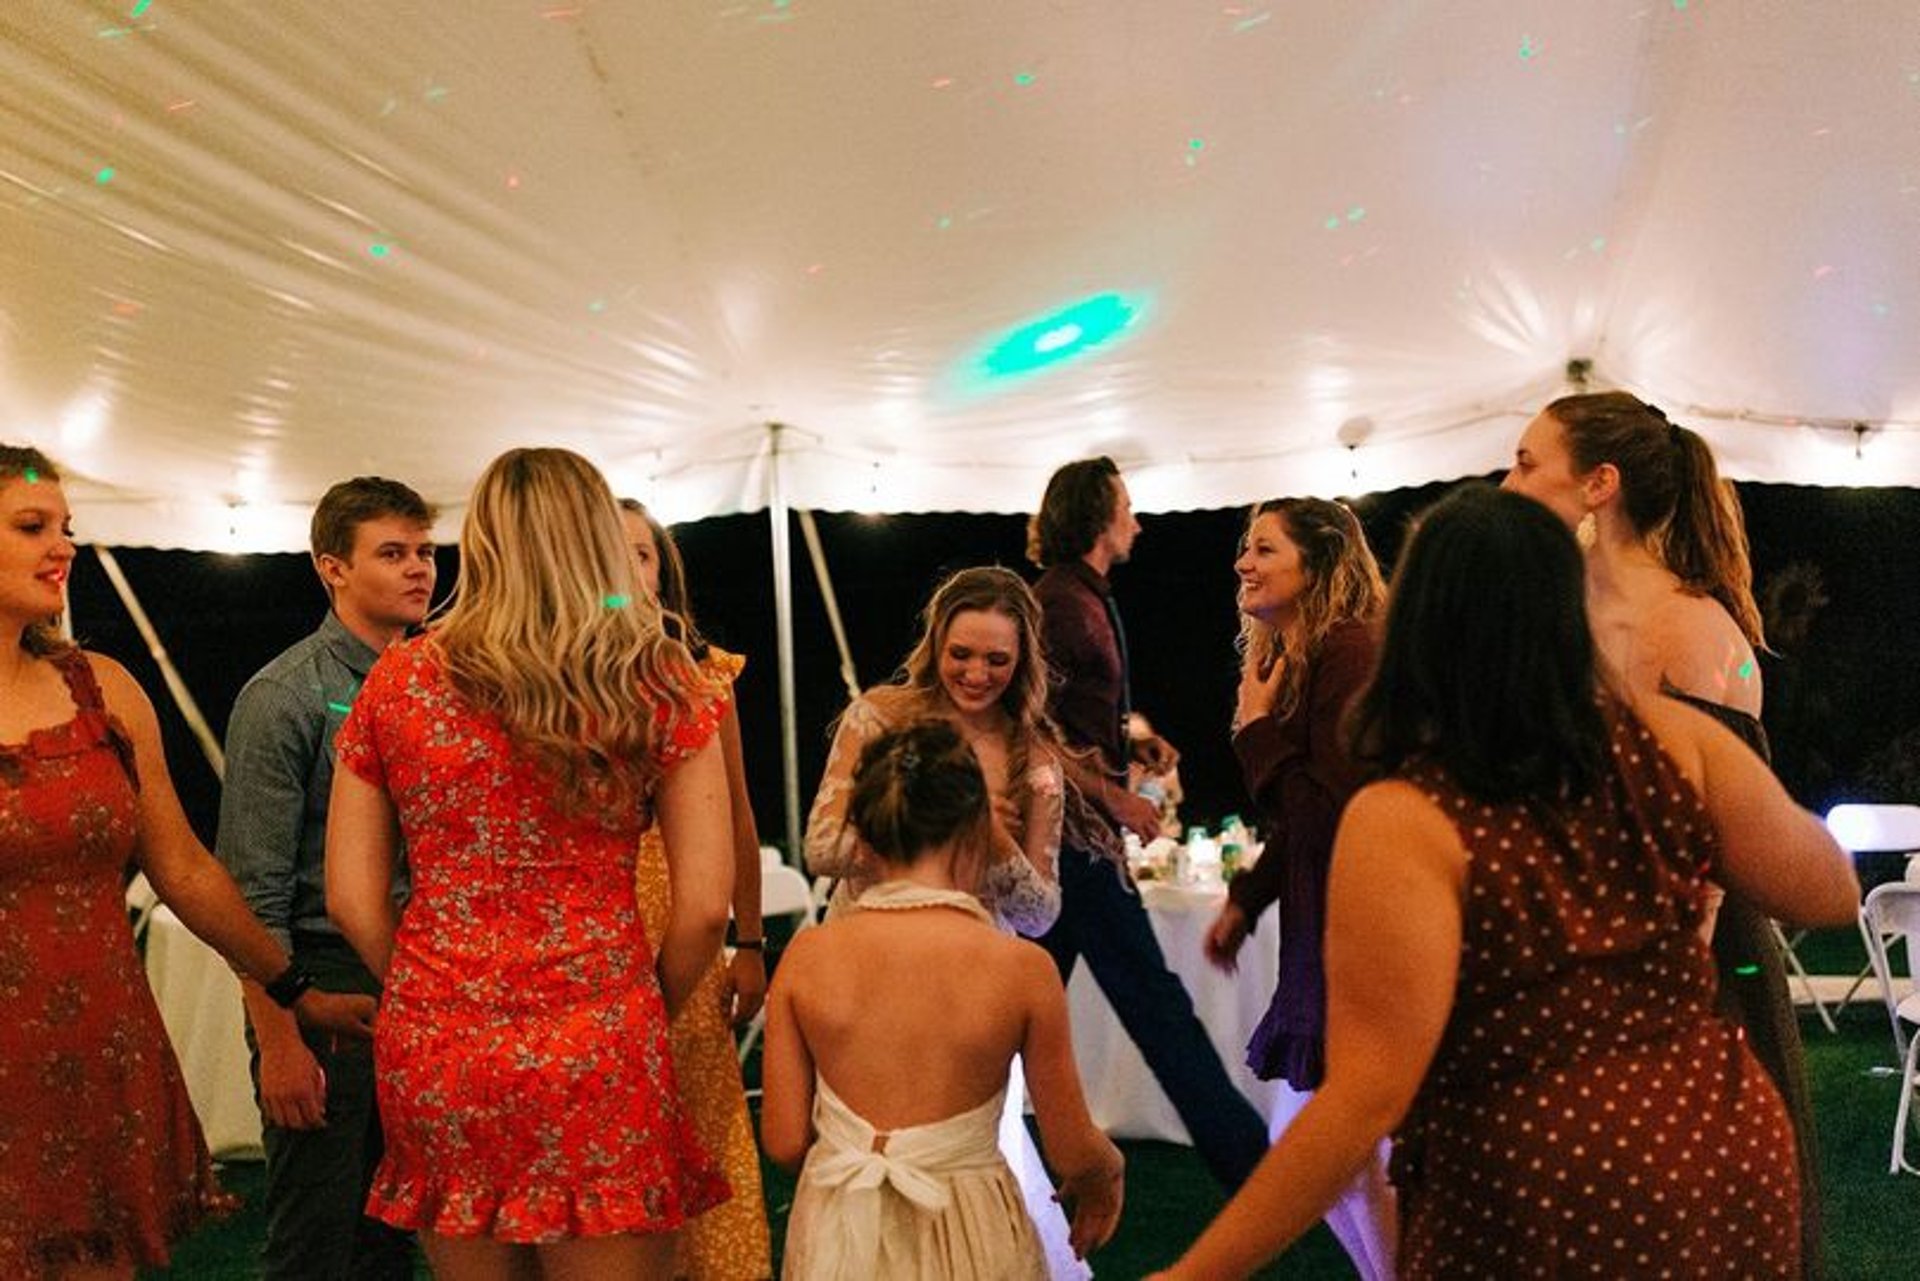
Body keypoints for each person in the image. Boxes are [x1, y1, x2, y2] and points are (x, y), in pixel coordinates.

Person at [1150, 485, 1859, 1280]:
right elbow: (1829, 892)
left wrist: (1191, 1272)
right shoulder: (1678, 742)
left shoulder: (1409, 811)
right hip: (1712, 1142)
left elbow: (1364, 1098)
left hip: (1532, 1177)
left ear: (1422, 621)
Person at [325, 448, 733, 1280]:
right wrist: (640, 1003)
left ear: (484, 539)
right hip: (601, 1029)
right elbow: (702, 908)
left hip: (440, 1037)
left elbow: (351, 899)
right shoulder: (659, 682)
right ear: (596, 538)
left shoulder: (398, 682)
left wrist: (425, 985)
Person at [1502, 388, 1826, 1276]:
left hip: (1681, 976)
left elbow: (1717, 854)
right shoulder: (1552, 618)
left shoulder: (1692, 630)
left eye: (1528, 463)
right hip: (1563, 955)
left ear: (1599, 484)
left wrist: (1644, 1016)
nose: (1508, 480)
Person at [0, 444, 336, 1276]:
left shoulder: (102, 687)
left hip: (99, 1046)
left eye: (67, 527)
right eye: (32, 525)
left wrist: (292, 988)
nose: (64, 546)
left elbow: (184, 868)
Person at [768, 721, 1124, 1279]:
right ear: (980, 830)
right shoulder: (1023, 969)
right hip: (971, 1228)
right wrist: (1105, 1171)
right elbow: (1071, 1147)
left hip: (840, 1230)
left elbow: (786, 1140)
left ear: (861, 834)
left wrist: (867, 1158)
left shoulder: (807, 957)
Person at [803, 566, 1078, 1275]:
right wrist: (924, 814)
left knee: (969, 1160)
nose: (976, 672)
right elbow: (820, 845)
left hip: (971, 979)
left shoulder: (1034, 752)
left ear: (1022, 662)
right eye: (962, 653)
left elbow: (1042, 911)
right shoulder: (881, 716)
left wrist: (992, 836)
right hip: (867, 963)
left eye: (996, 659)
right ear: (936, 643)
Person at [1027, 457, 1268, 1192]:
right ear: (1098, 516)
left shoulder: (1084, 597)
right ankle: (1254, 1167)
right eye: (1127, 506)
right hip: (1071, 845)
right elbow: (1033, 726)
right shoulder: (1062, 602)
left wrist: (1132, 736)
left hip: (1079, 843)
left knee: (1030, 1013)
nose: (1137, 520)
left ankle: (972, 1141)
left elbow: (1074, 710)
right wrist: (1117, 794)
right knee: (1158, 1008)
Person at [215, 476, 435, 1280]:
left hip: (414, 971)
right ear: (330, 567)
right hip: (314, 976)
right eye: (392, 552)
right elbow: (251, 888)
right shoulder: (285, 694)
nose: (418, 569)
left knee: (392, 1230)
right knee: (314, 1236)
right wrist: (278, 1039)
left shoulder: (438, 682)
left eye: (425, 551)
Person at [1201, 497, 1393, 1280]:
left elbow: (1333, 813)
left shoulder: (1352, 651)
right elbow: (1308, 809)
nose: (1245, 562)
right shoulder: (1315, 654)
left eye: (1265, 548)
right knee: (1333, 1154)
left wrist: (1254, 732)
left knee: (1341, 1152)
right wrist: (1249, 898)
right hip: (1333, 927)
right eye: (1245, 548)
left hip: (1364, 932)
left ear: (1318, 562)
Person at [618, 497, 773, 1280]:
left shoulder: (705, 673)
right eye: (609, 553)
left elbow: (739, 811)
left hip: (687, 912)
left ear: (662, 569)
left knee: (701, 1107)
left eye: (641, 554)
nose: (626, 569)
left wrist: (750, 940)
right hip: (599, 924)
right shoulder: (540, 676)